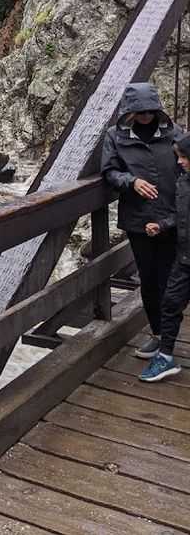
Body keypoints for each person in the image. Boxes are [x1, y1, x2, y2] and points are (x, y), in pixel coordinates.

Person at [101, 82, 182, 359]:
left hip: (173, 215)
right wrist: (131, 181)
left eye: (150, 110)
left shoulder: (174, 133)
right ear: (130, 111)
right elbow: (110, 171)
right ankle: (159, 335)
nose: (146, 115)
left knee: (172, 277)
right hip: (139, 219)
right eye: (140, 110)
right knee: (148, 278)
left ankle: (169, 336)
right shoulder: (115, 136)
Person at [140, 133, 190, 382]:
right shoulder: (183, 183)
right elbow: (181, 216)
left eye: (183, 157)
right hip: (184, 259)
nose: (179, 162)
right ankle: (166, 357)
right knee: (170, 304)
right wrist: (161, 225)